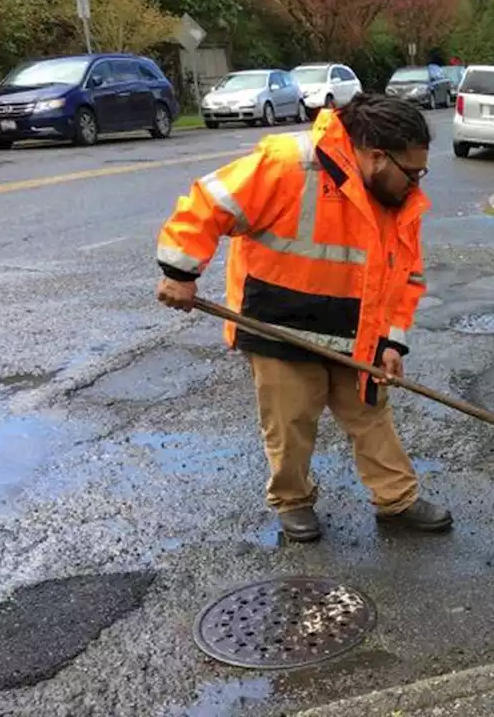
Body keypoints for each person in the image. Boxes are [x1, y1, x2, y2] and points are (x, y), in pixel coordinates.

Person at [154, 94, 452, 542]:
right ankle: (293, 501)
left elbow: (404, 276)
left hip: (358, 333)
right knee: (290, 425)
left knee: (372, 416)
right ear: (375, 156)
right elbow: (208, 202)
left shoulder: (398, 200)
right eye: (411, 172)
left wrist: (392, 341)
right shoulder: (287, 164)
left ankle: (397, 500)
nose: (416, 183)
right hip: (280, 327)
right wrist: (180, 271)